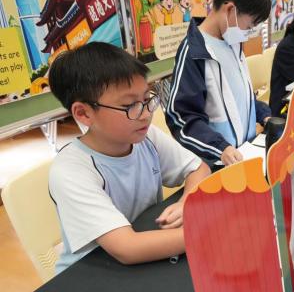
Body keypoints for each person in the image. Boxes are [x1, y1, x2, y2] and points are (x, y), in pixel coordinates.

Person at [47, 42, 211, 273]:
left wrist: (187, 202)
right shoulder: (71, 171)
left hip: (146, 249)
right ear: (83, 113)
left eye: (147, 99)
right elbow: (127, 248)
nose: (146, 114)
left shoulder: (145, 137)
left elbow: (198, 168)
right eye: (129, 105)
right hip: (93, 273)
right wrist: (208, 232)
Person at [166, 0, 271, 166]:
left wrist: (263, 114)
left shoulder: (233, 42)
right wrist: (221, 148)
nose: (248, 33)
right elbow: (181, 118)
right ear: (230, 10)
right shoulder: (193, 51)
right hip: (218, 164)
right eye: (249, 26)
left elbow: (241, 97)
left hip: (246, 154)